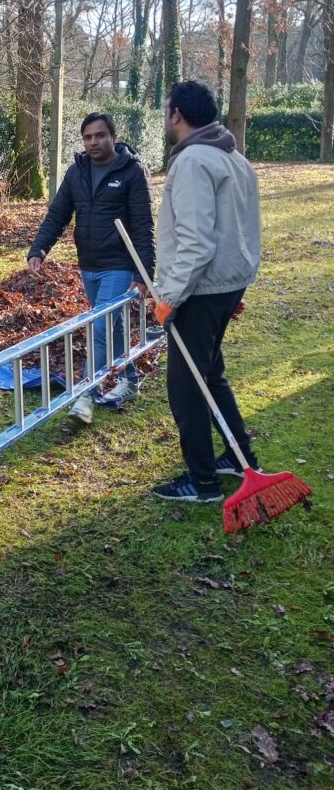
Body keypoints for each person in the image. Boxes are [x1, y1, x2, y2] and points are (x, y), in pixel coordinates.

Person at [150, 80, 261, 504]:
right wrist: (234, 286)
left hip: (199, 291)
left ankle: (202, 482)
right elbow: (243, 229)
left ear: (177, 113)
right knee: (210, 374)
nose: (166, 118)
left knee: (186, 387)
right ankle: (239, 456)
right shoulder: (234, 157)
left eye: (167, 111)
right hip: (225, 285)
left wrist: (169, 298)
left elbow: (196, 242)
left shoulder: (193, 161)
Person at [27, 112, 154, 423]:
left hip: (119, 264)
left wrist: (144, 274)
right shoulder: (77, 172)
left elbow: (143, 226)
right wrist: (39, 248)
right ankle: (129, 379)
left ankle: (87, 395)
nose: (93, 142)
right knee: (113, 324)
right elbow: (57, 214)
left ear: (113, 137)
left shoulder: (131, 172)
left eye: (99, 135)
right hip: (89, 264)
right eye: (88, 137)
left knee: (99, 327)